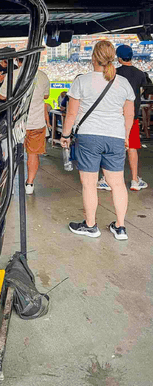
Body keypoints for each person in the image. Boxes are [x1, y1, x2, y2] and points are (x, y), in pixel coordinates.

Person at [60, 41, 135, 241]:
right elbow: (129, 115)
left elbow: (71, 114)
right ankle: (120, 228)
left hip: (89, 137)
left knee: (89, 184)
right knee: (118, 184)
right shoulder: (124, 84)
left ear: (93, 57)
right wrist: (126, 136)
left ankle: (91, 225)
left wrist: (65, 136)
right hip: (116, 137)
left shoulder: (81, 81)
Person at [97, 44, 148, 192]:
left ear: (118, 58)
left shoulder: (115, 73)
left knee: (110, 148)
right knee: (132, 148)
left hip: (114, 116)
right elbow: (143, 91)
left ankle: (106, 180)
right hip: (132, 117)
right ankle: (134, 180)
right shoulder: (140, 74)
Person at [0, 59, 50, 194]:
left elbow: (2, 96)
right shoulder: (42, 75)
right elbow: (46, 96)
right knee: (33, 154)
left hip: (15, 122)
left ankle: (9, 185)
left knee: (10, 152)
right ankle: (30, 184)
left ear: (18, 61)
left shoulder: (12, 75)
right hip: (36, 122)